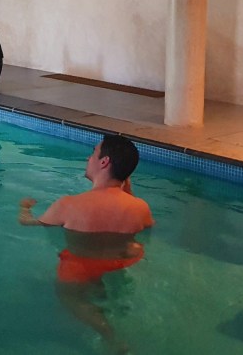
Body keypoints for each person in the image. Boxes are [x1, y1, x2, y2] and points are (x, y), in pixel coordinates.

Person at [18, 135, 153, 350]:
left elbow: (28, 223)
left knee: (71, 298)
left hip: (80, 264)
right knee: (105, 281)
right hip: (120, 261)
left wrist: (24, 208)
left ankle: (110, 337)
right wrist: (127, 190)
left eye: (93, 153)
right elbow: (146, 230)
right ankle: (109, 301)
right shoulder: (140, 207)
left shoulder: (69, 205)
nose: (88, 158)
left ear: (104, 162)